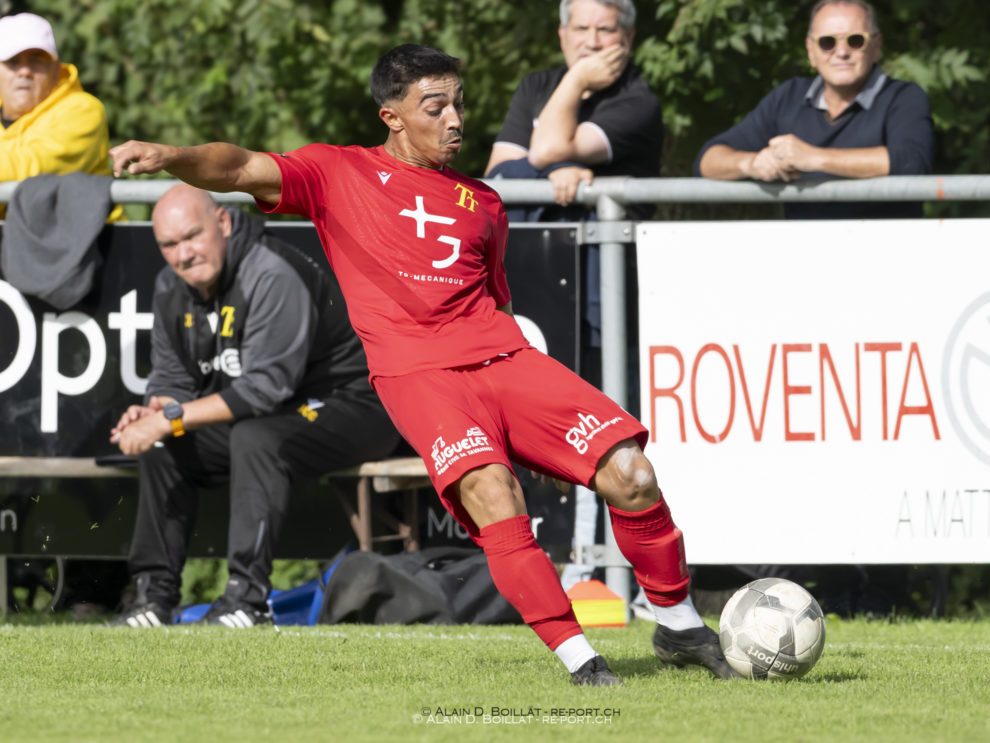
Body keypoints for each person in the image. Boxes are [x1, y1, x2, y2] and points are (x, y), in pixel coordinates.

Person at [108, 43, 737, 684]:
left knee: (631, 474)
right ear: (393, 117)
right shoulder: (336, 173)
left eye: (459, 103)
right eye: (435, 107)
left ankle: (681, 625)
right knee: (495, 495)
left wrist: (529, 437)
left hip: (503, 356)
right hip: (417, 377)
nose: (455, 119)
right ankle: (582, 662)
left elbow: (497, 303)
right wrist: (171, 158)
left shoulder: (485, 204)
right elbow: (239, 166)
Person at [107, 184, 399, 628]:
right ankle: (153, 598)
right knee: (167, 446)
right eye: (169, 244)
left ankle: (246, 600)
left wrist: (168, 420)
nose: (183, 254)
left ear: (222, 223)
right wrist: (156, 412)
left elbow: (264, 389)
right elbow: (173, 381)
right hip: (276, 413)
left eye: (192, 236)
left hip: (355, 404)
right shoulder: (171, 286)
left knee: (253, 435)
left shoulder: (270, 272)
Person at [693, 0, 934, 219]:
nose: (841, 52)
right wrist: (752, 163)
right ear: (811, 51)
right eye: (827, 42)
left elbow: (912, 162)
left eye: (855, 40)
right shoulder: (788, 97)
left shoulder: (903, 97)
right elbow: (707, 161)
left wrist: (814, 158)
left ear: (876, 46)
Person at [484, 0, 662, 215]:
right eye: (581, 28)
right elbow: (496, 175)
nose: (592, 42)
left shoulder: (637, 102)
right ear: (563, 35)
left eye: (605, 30)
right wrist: (551, 172)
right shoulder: (535, 86)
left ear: (629, 37)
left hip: (601, 243)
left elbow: (545, 151)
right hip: (527, 241)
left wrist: (577, 78)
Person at [0, 12, 121, 219]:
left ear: (56, 69)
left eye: (37, 60)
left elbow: (33, 168)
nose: (25, 71)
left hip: (90, 247)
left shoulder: (83, 110)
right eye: (13, 62)